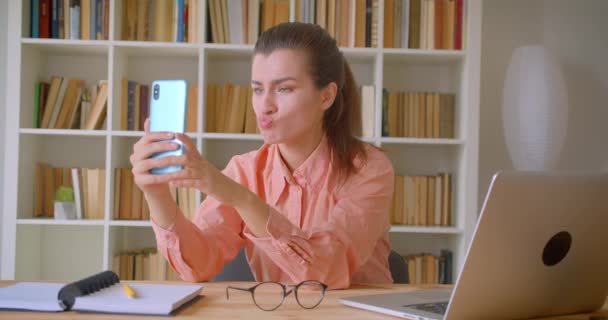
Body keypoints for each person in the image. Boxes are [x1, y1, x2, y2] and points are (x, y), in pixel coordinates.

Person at [129, 22, 395, 289]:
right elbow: (198, 267)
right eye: (258, 89)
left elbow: (324, 273)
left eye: (283, 89)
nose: (264, 107)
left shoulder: (369, 168)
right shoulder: (244, 170)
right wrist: (156, 193)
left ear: (326, 96)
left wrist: (241, 198)